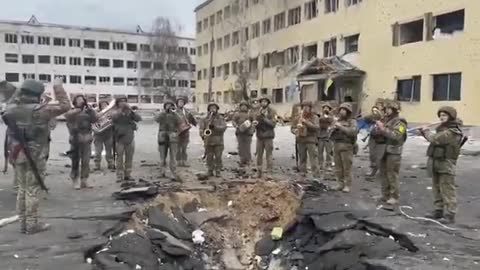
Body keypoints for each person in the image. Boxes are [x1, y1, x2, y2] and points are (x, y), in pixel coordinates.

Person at [2, 78, 70, 234]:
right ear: (37, 94)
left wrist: (19, 90)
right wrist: (58, 86)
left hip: (17, 153)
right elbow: (65, 106)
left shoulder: (10, 109)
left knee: (22, 189)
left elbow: (12, 102)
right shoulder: (41, 110)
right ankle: (32, 225)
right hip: (36, 155)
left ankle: (23, 223)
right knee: (32, 189)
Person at [421, 107, 463, 224]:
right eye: (441, 115)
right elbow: (434, 140)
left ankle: (450, 213)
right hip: (436, 161)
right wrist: (424, 133)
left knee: (447, 189)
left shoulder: (453, 131)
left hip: (446, 162)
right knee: (436, 187)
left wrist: (426, 131)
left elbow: (436, 139)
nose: (441, 117)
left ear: (450, 116)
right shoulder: (443, 128)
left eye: (444, 115)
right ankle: (438, 210)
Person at [374, 100, 407, 206]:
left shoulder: (401, 123)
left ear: (394, 110)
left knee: (392, 175)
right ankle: (385, 194)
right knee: (383, 174)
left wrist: (382, 129)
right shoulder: (385, 120)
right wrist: (377, 129)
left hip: (394, 152)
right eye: (386, 109)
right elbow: (375, 133)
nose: (386, 111)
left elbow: (396, 136)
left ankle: (394, 196)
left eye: (389, 109)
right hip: (383, 150)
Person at [65, 95, 98, 189]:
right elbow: (68, 116)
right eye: (78, 99)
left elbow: (95, 119)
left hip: (87, 138)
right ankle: (75, 180)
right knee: (75, 161)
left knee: (86, 161)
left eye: (82, 99)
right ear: (75, 102)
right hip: (75, 139)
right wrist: (79, 110)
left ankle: (84, 180)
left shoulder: (88, 112)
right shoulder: (72, 111)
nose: (81, 101)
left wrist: (92, 111)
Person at [111, 96, 142, 183]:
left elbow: (139, 119)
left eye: (124, 101)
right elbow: (114, 118)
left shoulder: (130, 112)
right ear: (118, 103)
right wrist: (121, 111)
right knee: (119, 158)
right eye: (121, 101)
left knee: (129, 157)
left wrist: (131, 112)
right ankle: (119, 175)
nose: (123, 103)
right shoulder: (115, 111)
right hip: (119, 138)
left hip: (130, 137)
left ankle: (128, 174)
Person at [330, 103, 358, 193]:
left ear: (348, 111)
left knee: (347, 167)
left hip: (346, 146)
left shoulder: (352, 121)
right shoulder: (337, 121)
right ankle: (340, 184)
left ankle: (347, 185)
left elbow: (353, 132)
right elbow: (329, 134)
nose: (342, 111)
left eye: (344, 110)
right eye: (341, 109)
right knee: (338, 167)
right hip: (336, 144)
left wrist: (340, 127)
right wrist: (332, 129)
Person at [291, 101, 320, 178]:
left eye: (307, 107)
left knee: (313, 159)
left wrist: (306, 122)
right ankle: (303, 174)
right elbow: (292, 128)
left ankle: (316, 175)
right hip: (301, 140)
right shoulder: (298, 117)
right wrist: (295, 131)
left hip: (311, 140)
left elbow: (316, 127)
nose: (305, 109)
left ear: (310, 108)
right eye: (303, 107)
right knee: (302, 158)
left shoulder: (314, 117)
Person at [154, 99, 181, 180]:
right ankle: (162, 172)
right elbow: (156, 119)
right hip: (162, 135)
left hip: (172, 135)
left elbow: (180, 121)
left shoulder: (175, 114)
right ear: (164, 106)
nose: (169, 107)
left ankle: (173, 173)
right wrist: (164, 112)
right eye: (167, 105)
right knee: (162, 156)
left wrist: (174, 112)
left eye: (170, 105)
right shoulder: (162, 114)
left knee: (173, 156)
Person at [199, 102, 227, 177]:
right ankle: (210, 170)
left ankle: (218, 171)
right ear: (208, 109)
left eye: (214, 108)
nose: (212, 109)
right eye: (211, 108)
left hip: (218, 140)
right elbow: (201, 129)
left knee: (218, 156)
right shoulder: (205, 119)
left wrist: (215, 127)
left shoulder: (220, 118)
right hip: (208, 140)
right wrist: (203, 135)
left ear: (217, 109)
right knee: (209, 157)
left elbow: (224, 127)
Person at [254, 96, 277, 178]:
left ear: (268, 103)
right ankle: (259, 171)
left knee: (269, 155)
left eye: (265, 101)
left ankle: (269, 172)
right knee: (259, 154)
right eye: (262, 102)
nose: (263, 103)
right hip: (260, 136)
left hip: (268, 135)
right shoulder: (258, 112)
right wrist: (256, 123)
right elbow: (255, 121)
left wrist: (264, 119)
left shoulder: (272, 112)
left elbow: (273, 124)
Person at [363, 99, 386, 177]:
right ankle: (373, 169)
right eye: (377, 105)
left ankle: (381, 170)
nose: (378, 107)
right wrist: (373, 114)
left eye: (380, 105)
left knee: (380, 157)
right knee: (372, 155)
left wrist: (380, 115)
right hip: (373, 138)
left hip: (382, 139)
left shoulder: (387, 116)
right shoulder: (374, 115)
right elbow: (366, 119)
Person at [175, 96, 197, 167]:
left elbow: (193, 121)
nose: (181, 103)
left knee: (184, 148)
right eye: (179, 102)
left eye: (182, 102)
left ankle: (184, 161)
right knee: (178, 148)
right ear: (177, 103)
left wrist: (195, 122)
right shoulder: (174, 112)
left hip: (186, 132)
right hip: (177, 132)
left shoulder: (187, 112)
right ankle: (178, 161)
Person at [93, 100, 115, 171]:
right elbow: (92, 123)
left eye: (105, 104)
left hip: (108, 134)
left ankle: (110, 164)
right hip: (98, 135)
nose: (104, 106)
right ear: (100, 105)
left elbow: (114, 122)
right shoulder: (96, 113)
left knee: (109, 151)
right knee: (98, 151)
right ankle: (97, 165)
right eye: (102, 104)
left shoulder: (111, 113)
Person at [232, 100, 254, 167]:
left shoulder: (250, 114)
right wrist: (236, 126)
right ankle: (242, 159)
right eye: (242, 106)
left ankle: (248, 160)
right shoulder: (237, 114)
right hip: (240, 132)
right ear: (240, 107)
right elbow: (233, 121)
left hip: (248, 133)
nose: (244, 107)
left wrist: (252, 129)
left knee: (247, 147)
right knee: (241, 147)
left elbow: (254, 122)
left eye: (245, 106)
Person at [318, 102, 335, 171]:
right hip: (320, 136)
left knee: (329, 152)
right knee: (320, 152)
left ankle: (328, 165)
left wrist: (328, 117)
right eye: (324, 107)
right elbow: (319, 121)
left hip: (328, 137)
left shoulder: (331, 117)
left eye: (327, 108)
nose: (326, 109)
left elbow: (332, 124)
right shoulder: (320, 116)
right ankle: (320, 164)